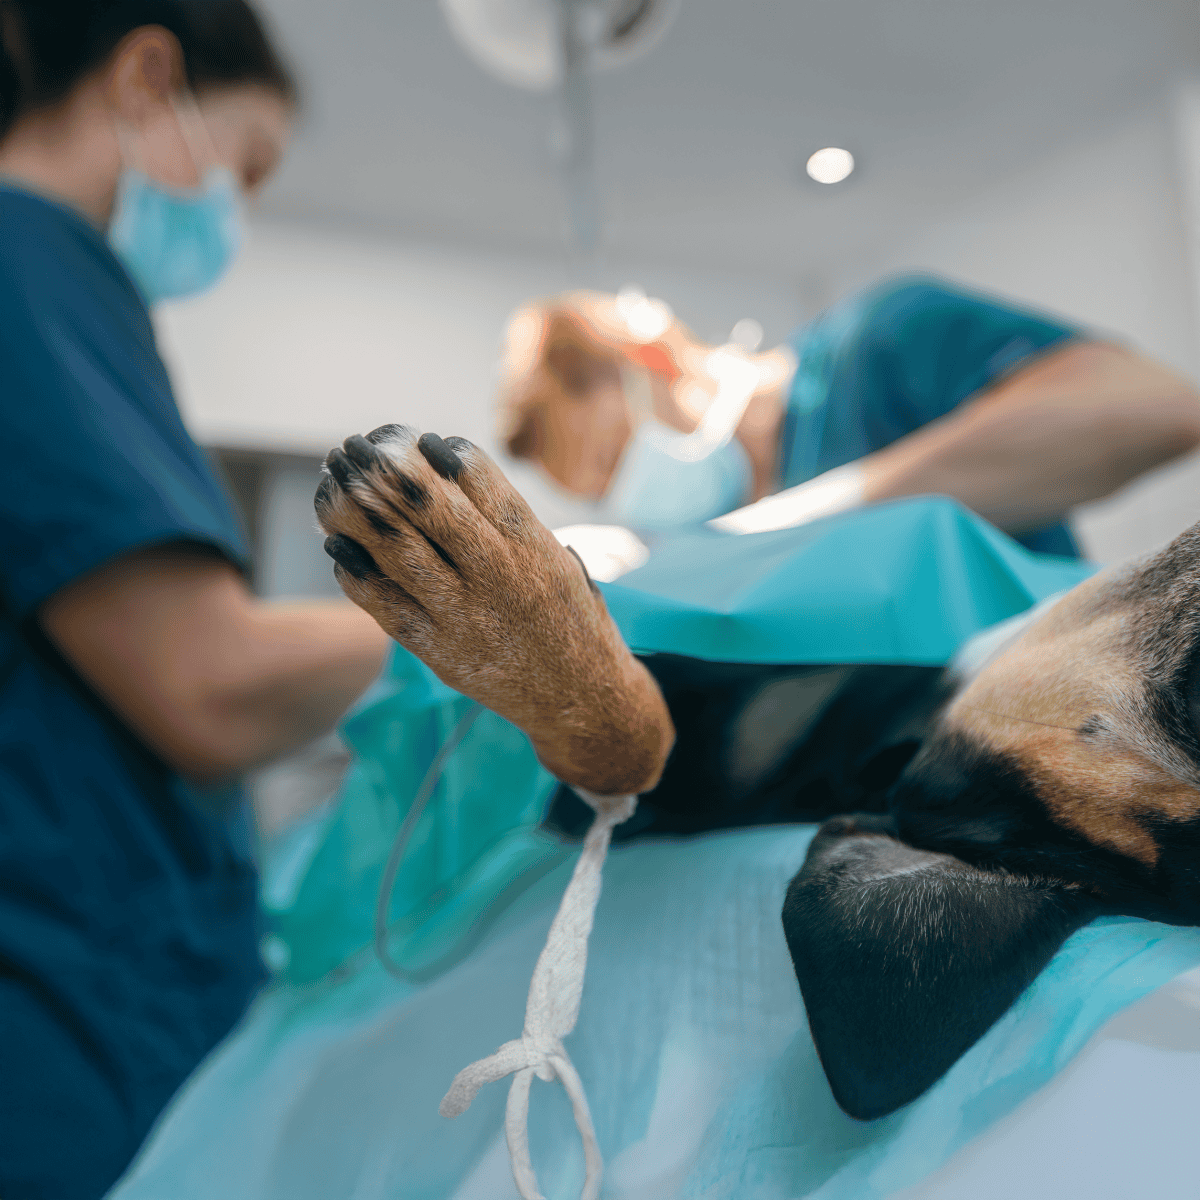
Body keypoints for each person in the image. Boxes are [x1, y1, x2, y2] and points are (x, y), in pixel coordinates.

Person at [0, 4, 391, 1196]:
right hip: (60, 1037)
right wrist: (496, 623)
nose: (241, 206)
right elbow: (205, 681)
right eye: (249, 161)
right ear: (147, 74)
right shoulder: (27, 260)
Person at [497, 279, 1200, 557]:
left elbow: (1157, 408)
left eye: (617, 455)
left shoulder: (877, 345)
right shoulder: (699, 547)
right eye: (605, 493)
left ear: (647, 356)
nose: (631, 493)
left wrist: (795, 523)